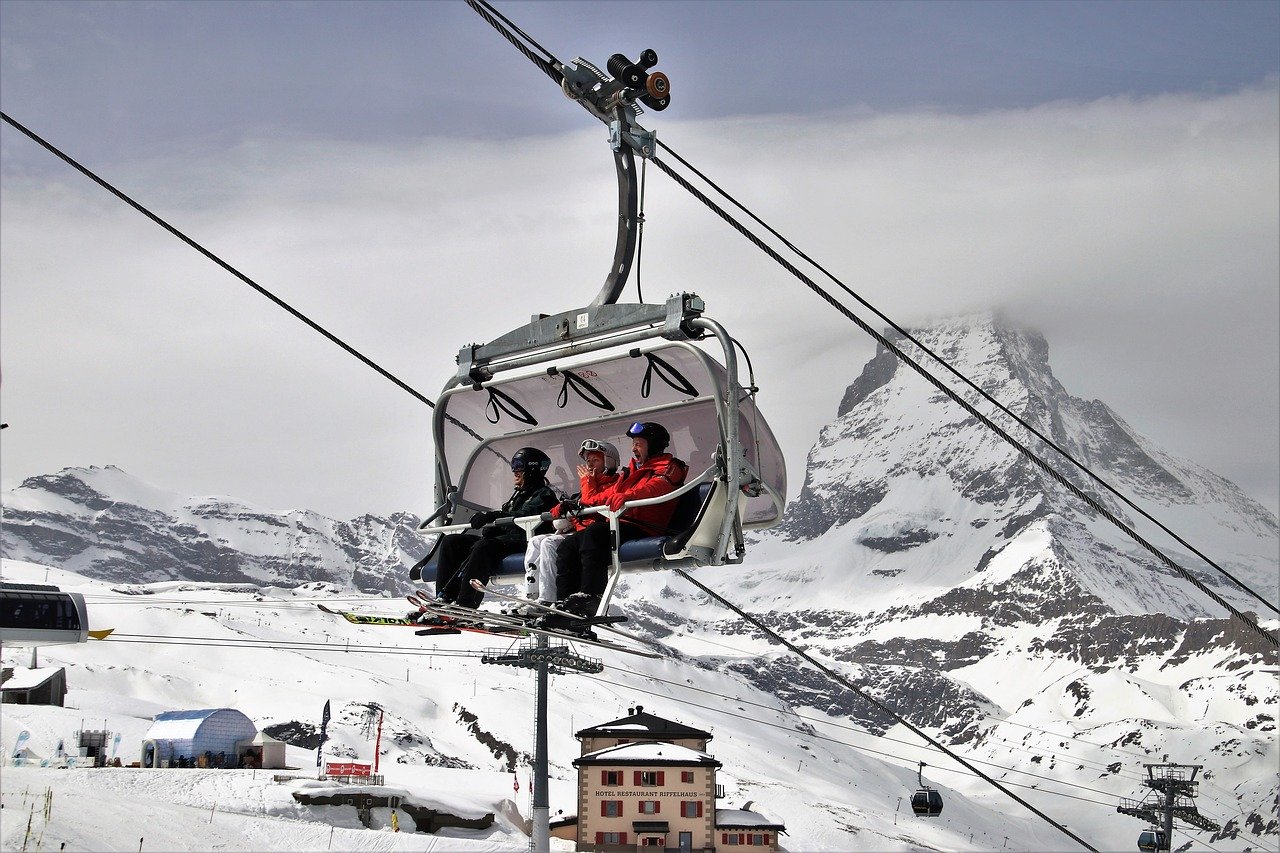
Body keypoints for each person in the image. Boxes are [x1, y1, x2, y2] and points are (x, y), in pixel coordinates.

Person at [551, 422, 688, 622]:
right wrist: (576, 502)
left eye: (639, 444)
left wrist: (628, 496)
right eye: (634, 444)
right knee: (568, 545)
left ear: (654, 445)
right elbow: (608, 496)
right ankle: (566, 603)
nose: (633, 449)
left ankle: (591, 597)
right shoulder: (631, 471)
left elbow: (656, 488)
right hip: (623, 523)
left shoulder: (669, 468)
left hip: (646, 527)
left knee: (595, 533)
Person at [428, 447, 559, 612]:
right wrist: (493, 527)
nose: (514, 471)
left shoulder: (544, 495)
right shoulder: (518, 495)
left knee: (484, 548)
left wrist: (494, 517)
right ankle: (445, 598)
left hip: (523, 541)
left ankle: (466, 604)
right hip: (505, 540)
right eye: (513, 466)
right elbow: (508, 516)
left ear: (532, 469)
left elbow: (526, 515)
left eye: (519, 466)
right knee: (452, 542)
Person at [514, 438, 622, 615]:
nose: (590, 465)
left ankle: (548, 599)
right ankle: (533, 595)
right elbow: (562, 509)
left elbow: (592, 502)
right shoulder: (587, 485)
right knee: (536, 541)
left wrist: (587, 484)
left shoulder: (615, 483)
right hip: (578, 533)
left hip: (595, 535)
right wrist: (564, 507)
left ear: (609, 462)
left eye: (595, 460)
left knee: (549, 544)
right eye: (588, 461)